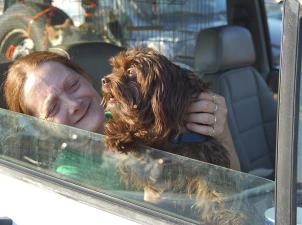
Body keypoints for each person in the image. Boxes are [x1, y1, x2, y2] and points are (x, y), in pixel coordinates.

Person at [3, 51, 240, 170]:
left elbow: (232, 186)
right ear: (41, 128)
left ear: (87, 78)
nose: (73, 105)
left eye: (73, 85)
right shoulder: (70, 177)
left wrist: (219, 133)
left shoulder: (141, 116)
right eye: (52, 107)